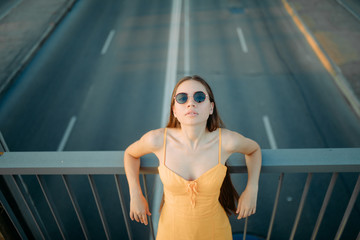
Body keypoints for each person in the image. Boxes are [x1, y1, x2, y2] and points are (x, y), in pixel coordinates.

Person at [124, 75, 261, 239]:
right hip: (171, 232)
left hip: (215, 232)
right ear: (174, 110)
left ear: (211, 108)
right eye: (182, 98)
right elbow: (130, 154)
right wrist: (135, 194)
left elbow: (254, 150)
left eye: (199, 97)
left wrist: (252, 188)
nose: (191, 103)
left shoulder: (226, 141)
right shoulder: (158, 140)